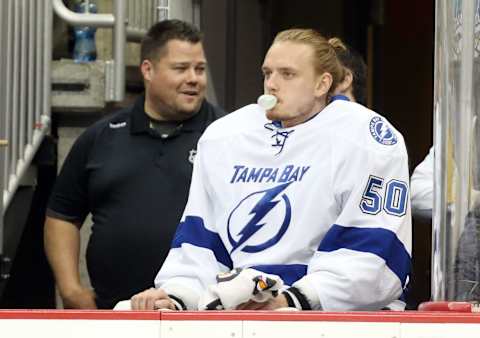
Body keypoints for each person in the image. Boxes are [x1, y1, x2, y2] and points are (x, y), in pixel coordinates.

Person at [131, 28, 411, 311]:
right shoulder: (224, 137)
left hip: (340, 321)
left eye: (287, 74)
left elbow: (375, 254)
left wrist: (292, 300)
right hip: (246, 314)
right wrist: (177, 296)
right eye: (267, 73)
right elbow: (200, 244)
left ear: (322, 84)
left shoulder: (367, 137)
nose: (272, 85)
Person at [44, 19, 224, 309]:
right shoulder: (102, 136)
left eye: (200, 69)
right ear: (148, 70)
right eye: (181, 68)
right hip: (113, 313)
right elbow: (62, 215)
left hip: (199, 315)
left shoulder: (226, 135)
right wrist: (71, 290)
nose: (194, 78)